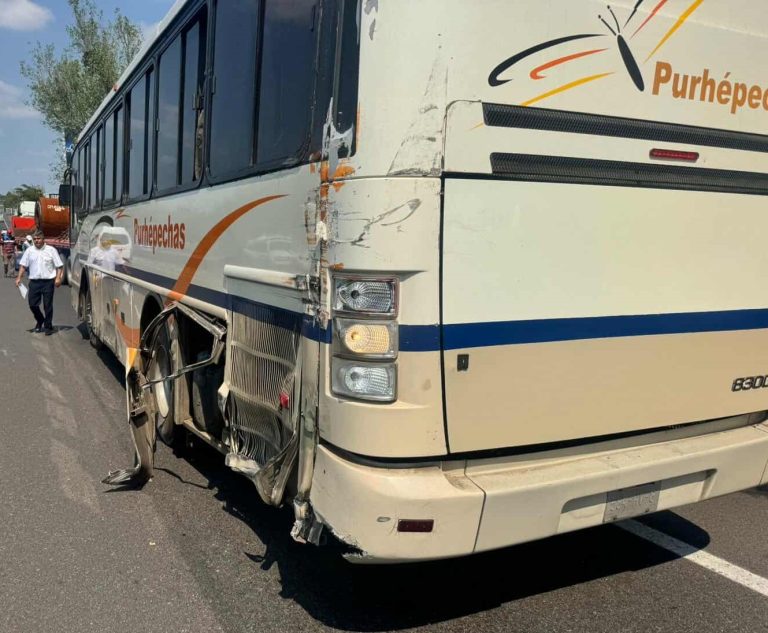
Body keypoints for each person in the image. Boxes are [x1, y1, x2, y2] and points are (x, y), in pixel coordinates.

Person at [15, 230, 64, 335]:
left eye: (39, 239)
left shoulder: (51, 250)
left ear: (43, 239)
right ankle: (40, 320)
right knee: (32, 304)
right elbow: (23, 265)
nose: (37, 241)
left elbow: (59, 266)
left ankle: (48, 326)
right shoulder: (29, 251)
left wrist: (58, 278)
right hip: (34, 282)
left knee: (47, 305)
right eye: (35, 239)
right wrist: (19, 277)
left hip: (48, 282)